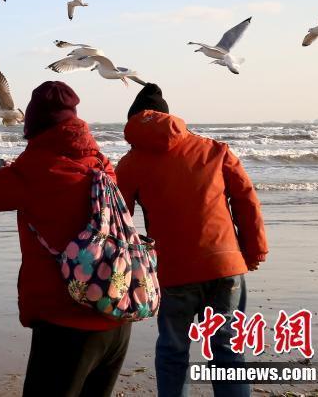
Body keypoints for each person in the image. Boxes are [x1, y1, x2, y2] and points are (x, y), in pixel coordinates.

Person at [0, 81, 131, 397]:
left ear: (34, 123)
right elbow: (55, 186)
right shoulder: (100, 163)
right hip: (114, 311)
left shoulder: (36, 169)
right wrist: (16, 172)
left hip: (67, 319)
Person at [115, 84, 268, 397]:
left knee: (174, 352)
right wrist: (253, 252)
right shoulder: (214, 150)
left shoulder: (130, 165)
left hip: (173, 272)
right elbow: (246, 201)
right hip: (225, 264)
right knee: (227, 351)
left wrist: (126, 277)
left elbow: (121, 224)